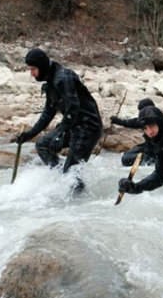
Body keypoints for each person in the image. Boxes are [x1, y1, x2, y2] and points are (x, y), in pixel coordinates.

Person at [16, 48, 102, 193]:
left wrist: (60, 132)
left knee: (71, 172)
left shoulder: (63, 78)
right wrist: (29, 135)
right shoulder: (51, 81)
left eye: (33, 69)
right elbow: (48, 113)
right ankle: (61, 179)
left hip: (88, 128)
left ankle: (77, 199)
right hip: (73, 126)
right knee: (42, 144)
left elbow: (73, 109)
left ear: (42, 67)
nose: (32, 74)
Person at [110, 98, 157, 167]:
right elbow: (129, 123)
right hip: (147, 147)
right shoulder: (143, 120)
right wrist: (116, 120)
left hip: (158, 150)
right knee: (126, 158)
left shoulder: (160, 121)